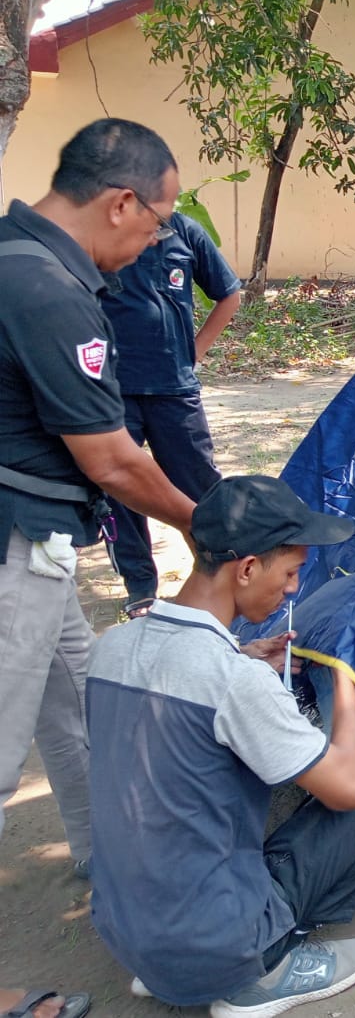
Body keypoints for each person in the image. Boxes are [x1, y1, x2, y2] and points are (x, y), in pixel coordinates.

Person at [86, 475, 355, 1017]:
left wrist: (243, 658)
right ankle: (261, 971)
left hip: (127, 933)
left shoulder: (114, 647)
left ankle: (176, 968)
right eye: (290, 572)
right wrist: (347, 678)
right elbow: (348, 789)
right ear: (247, 568)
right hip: (222, 944)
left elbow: (178, 700)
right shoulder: (234, 682)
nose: (292, 590)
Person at [0, 118, 200, 1018]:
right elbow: (113, 461)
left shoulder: (19, 258)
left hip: (41, 551)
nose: (158, 238)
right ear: (121, 201)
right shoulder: (48, 288)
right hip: (14, 553)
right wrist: (216, 528)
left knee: (84, 705)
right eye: (158, 219)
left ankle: (109, 861)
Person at [100, 208, 242, 616]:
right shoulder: (98, 230)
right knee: (121, 492)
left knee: (199, 486)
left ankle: (216, 575)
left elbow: (228, 294)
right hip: (113, 391)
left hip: (174, 390)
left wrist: (194, 352)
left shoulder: (183, 230)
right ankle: (140, 587)